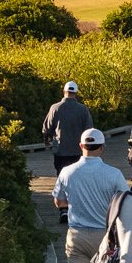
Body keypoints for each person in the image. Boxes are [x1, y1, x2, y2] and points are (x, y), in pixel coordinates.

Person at [52, 127, 122, 263]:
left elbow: (59, 202)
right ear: (102, 147)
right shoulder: (115, 174)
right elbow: (125, 203)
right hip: (104, 236)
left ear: (81, 146)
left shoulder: (66, 172)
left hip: (77, 236)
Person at [41, 82, 93, 212]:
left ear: (64, 92)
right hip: (78, 151)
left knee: (62, 177)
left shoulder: (55, 108)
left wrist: (47, 139)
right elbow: (89, 130)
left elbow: (47, 128)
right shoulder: (83, 109)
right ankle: (76, 205)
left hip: (61, 151)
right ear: (76, 93)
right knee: (78, 178)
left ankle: (63, 208)